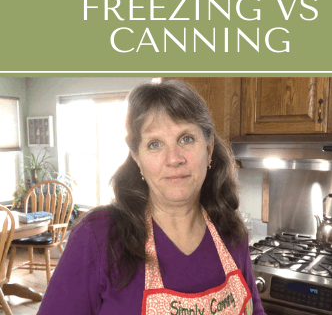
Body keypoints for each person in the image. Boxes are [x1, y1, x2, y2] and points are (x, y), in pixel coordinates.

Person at [37, 80, 265, 315]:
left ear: (208, 149)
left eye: (186, 139)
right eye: (155, 144)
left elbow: (254, 310)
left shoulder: (230, 231)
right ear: (137, 157)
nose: (174, 159)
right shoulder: (99, 237)